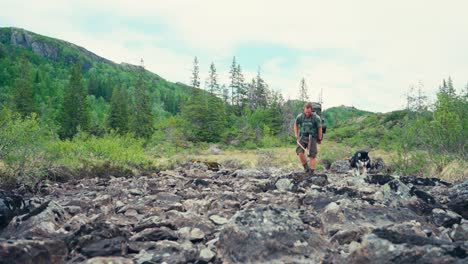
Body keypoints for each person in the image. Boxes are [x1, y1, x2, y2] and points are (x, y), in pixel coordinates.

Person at [294, 102, 323, 175]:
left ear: (311, 110)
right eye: (306, 112)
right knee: (299, 152)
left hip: (312, 137)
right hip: (303, 136)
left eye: (309, 112)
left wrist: (319, 138)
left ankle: (312, 172)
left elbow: (320, 128)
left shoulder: (316, 117)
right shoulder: (300, 117)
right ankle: (306, 168)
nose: (307, 113)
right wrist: (296, 135)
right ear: (304, 110)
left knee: (312, 155)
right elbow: (296, 124)